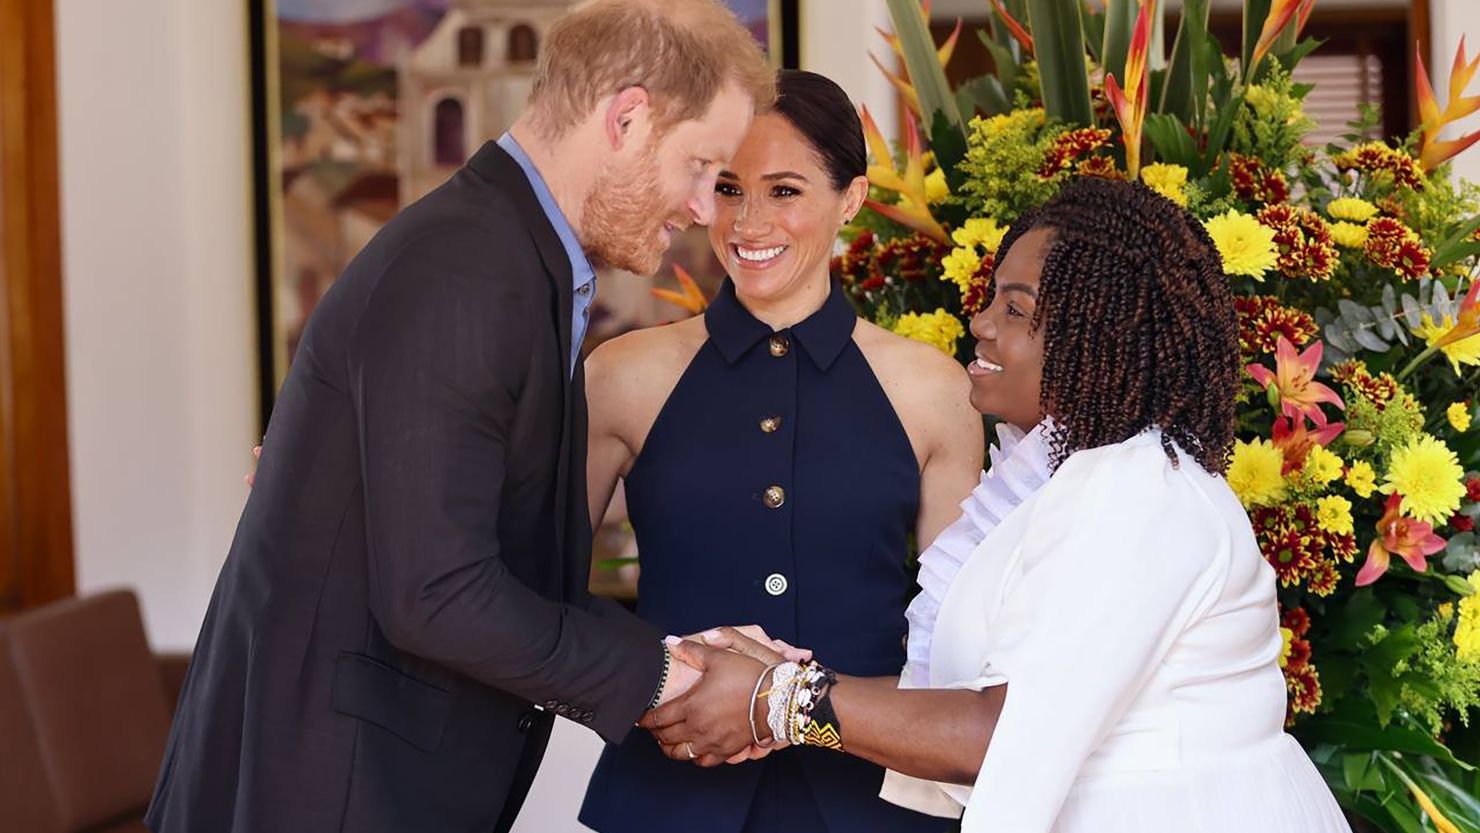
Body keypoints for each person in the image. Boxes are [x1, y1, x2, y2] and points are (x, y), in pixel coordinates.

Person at [144, 3, 775, 832]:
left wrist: (678, 656)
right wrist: (664, 678)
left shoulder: (509, 256)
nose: (702, 208)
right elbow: (437, 594)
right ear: (627, 119)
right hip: (328, 794)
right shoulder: (467, 272)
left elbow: (481, 563)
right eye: (700, 165)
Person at [643, 176, 1354, 833]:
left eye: (1015, 308)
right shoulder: (1071, 475)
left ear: (1096, 333)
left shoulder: (1135, 492)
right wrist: (771, 687)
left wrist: (778, 698)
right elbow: (975, 697)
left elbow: (1001, 732)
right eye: (991, 299)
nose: (981, 324)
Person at [577, 69, 983, 833]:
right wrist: (660, 680)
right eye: (728, 188)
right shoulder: (620, 376)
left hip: (874, 806)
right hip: (667, 797)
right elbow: (538, 591)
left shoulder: (934, 391)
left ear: (852, 198)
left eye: (785, 191)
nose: (748, 222)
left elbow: (955, 653)